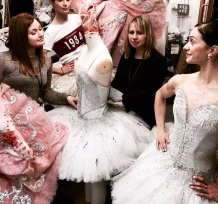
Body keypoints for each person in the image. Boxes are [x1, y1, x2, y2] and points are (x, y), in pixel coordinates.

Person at [111, 19, 218, 204]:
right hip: (163, 164)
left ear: (212, 51)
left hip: (199, 185)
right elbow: (159, 95)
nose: (185, 47)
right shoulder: (181, 80)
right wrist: (160, 129)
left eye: (192, 41)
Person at [47, 29, 153, 204]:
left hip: (98, 121)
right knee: (87, 173)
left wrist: (121, 99)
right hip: (78, 116)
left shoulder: (103, 58)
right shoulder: (85, 50)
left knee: (96, 173)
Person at [0, 12, 77, 111]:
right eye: (33, 32)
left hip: (31, 114)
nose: (41, 34)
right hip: (6, 116)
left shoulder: (46, 60)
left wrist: (66, 98)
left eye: (40, 29)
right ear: (21, 37)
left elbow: (46, 92)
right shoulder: (3, 61)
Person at [111, 16, 167, 128]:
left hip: (143, 114)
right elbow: (117, 84)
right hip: (123, 110)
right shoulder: (126, 56)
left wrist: (124, 98)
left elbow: (151, 93)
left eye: (139, 33)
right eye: (131, 32)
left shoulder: (158, 60)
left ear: (148, 34)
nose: (134, 37)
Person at [44, 0, 85, 96]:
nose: (65, 3)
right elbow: (40, 61)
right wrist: (61, 70)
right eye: (60, 0)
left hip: (89, 63)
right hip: (73, 73)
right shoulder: (50, 32)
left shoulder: (77, 18)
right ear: (53, 3)